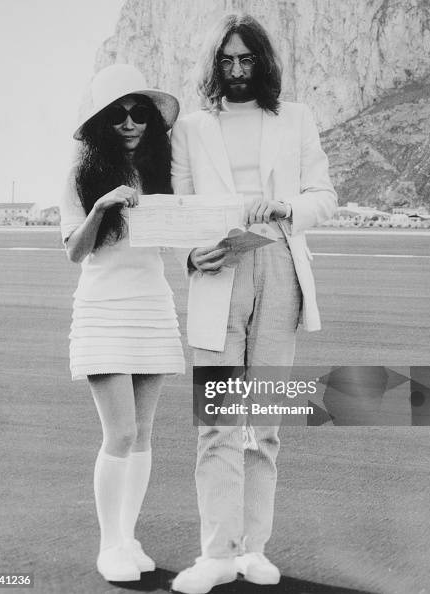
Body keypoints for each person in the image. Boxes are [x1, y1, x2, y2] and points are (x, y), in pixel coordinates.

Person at [170, 13, 337, 594]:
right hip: (219, 273)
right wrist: (193, 257)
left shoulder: (295, 119)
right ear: (215, 65)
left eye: (247, 60)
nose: (237, 70)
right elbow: (179, 207)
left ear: (262, 62)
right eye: (227, 60)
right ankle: (215, 554)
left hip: (280, 266)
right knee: (216, 422)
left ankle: (254, 550)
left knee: (264, 423)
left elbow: (325, 194)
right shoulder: (190, 128)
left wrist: (288, 206)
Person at [59, 63, 185, 583]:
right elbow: (74, 251)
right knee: (121, 432)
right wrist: (102, 207)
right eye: (119, 115)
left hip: (152, 305)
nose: (131, 123)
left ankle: (129, 535)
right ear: (101, 124)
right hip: (104, 309)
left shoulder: (162, 175)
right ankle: (110, 544)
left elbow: (181, 234)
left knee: (145, 434)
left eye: (140, 115)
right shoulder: (80, 176)